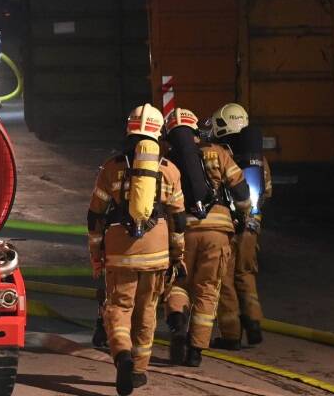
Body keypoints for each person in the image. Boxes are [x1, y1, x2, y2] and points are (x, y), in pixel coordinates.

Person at [87, 103, 185, 395]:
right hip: (157, 252)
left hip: (120, 252)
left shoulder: (111, 167)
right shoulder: (169, 171)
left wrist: (96, 252)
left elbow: (95, 216)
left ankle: (123, 356)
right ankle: (140, 370)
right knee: (147, 310)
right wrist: (177, 254)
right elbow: (178, 219)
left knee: (119, 308)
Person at [161, 107, 251, 368]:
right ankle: (196, 351)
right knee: (207, 290)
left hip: (182, 231)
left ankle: (177, 321)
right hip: (217, 233)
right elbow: (241, 190)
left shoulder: (168, 161)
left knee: (178, 283)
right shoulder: (219, 153)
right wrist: (245, 217)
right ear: (197, 131)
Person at [210, 102, 272, 348]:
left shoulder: (221, 155)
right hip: (252, 228)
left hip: (228, 228)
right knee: (246, 275)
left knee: (225, 280)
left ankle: (231, 335)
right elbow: (267, 191)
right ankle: (254, 323)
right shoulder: (258, 160)